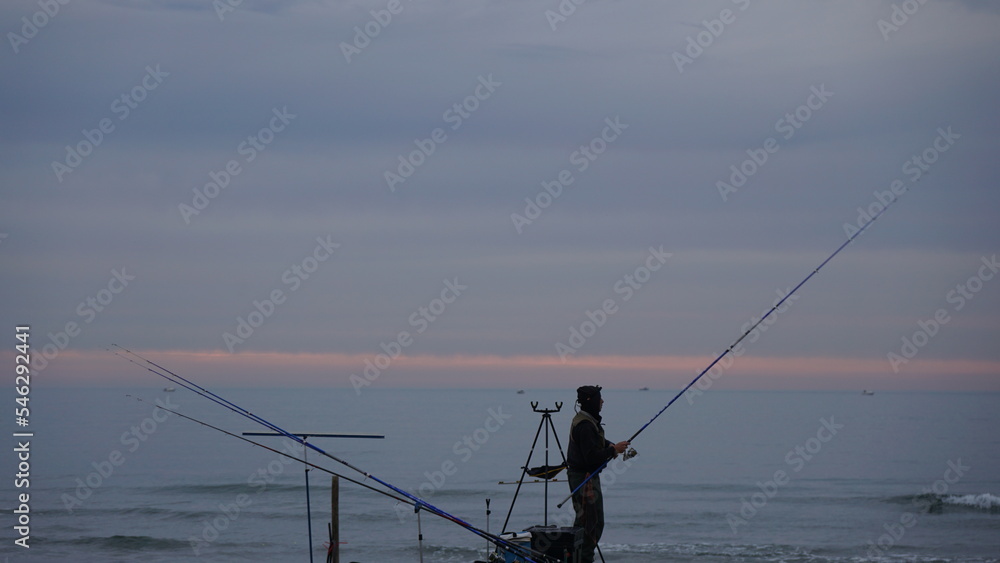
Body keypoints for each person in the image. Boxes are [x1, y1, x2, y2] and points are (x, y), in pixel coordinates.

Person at [566, 385, 630, 563]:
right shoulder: (585, 425)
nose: (602, 401)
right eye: (599, 398)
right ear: (590, 401)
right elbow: (591, 458)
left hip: (584, 476)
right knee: (590, 523)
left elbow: (593, 443)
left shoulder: (586, 420)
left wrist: (610, 445)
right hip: (584, 479)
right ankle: (583, 559)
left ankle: (578, 557)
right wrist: (613, 450)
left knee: (587, 522)